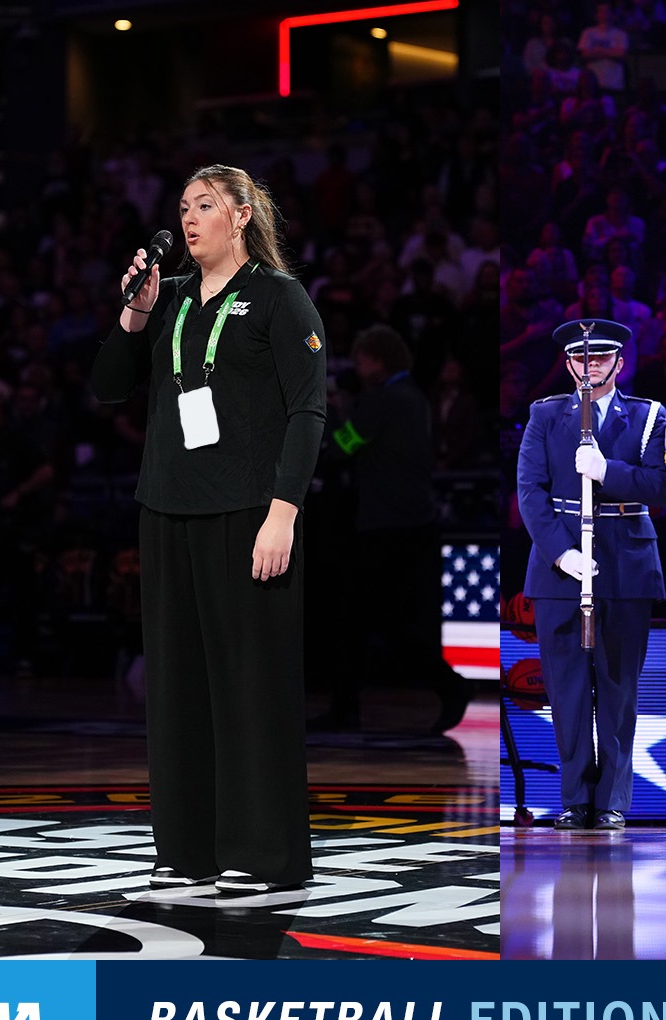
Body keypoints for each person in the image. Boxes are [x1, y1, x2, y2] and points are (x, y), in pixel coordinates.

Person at [93, 164, 326, 895]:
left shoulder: (281, 300)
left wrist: (282, 511)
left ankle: (267, 856)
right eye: (183, 206)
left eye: (205, 205)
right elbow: (106, 387)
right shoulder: (173, 299)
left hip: (245, 516)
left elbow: (309, 411)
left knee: (250, 688)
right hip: (167, 510)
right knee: (177, 689)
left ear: (242, 215)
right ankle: (186, 849)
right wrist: (133, 313)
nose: (188, 219)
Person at [518, 320, 666, 832]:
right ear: (568, 364)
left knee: (618, 687)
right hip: (560, 568)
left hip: (625, 561)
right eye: (581, 360)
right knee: (565, 689)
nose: (591, 367)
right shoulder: (544, 416)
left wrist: (608, 472)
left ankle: (612, 801)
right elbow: (530, 494)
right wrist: (562, 554)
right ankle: (575, 798)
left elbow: (659, 488)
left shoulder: (648, 417)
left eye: (601, 358)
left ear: (618, 363)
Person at [324, 325, 474, 734]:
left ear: (378, 359)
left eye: (362, 358)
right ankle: (349, 706)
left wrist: (335, 410)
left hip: (386, 525)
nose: (357, 365)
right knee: (382, 619)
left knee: (364, 619)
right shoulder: (413, 397)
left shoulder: (384, 399)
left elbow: (342, 447)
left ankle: (446, 687)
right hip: (409, 524)